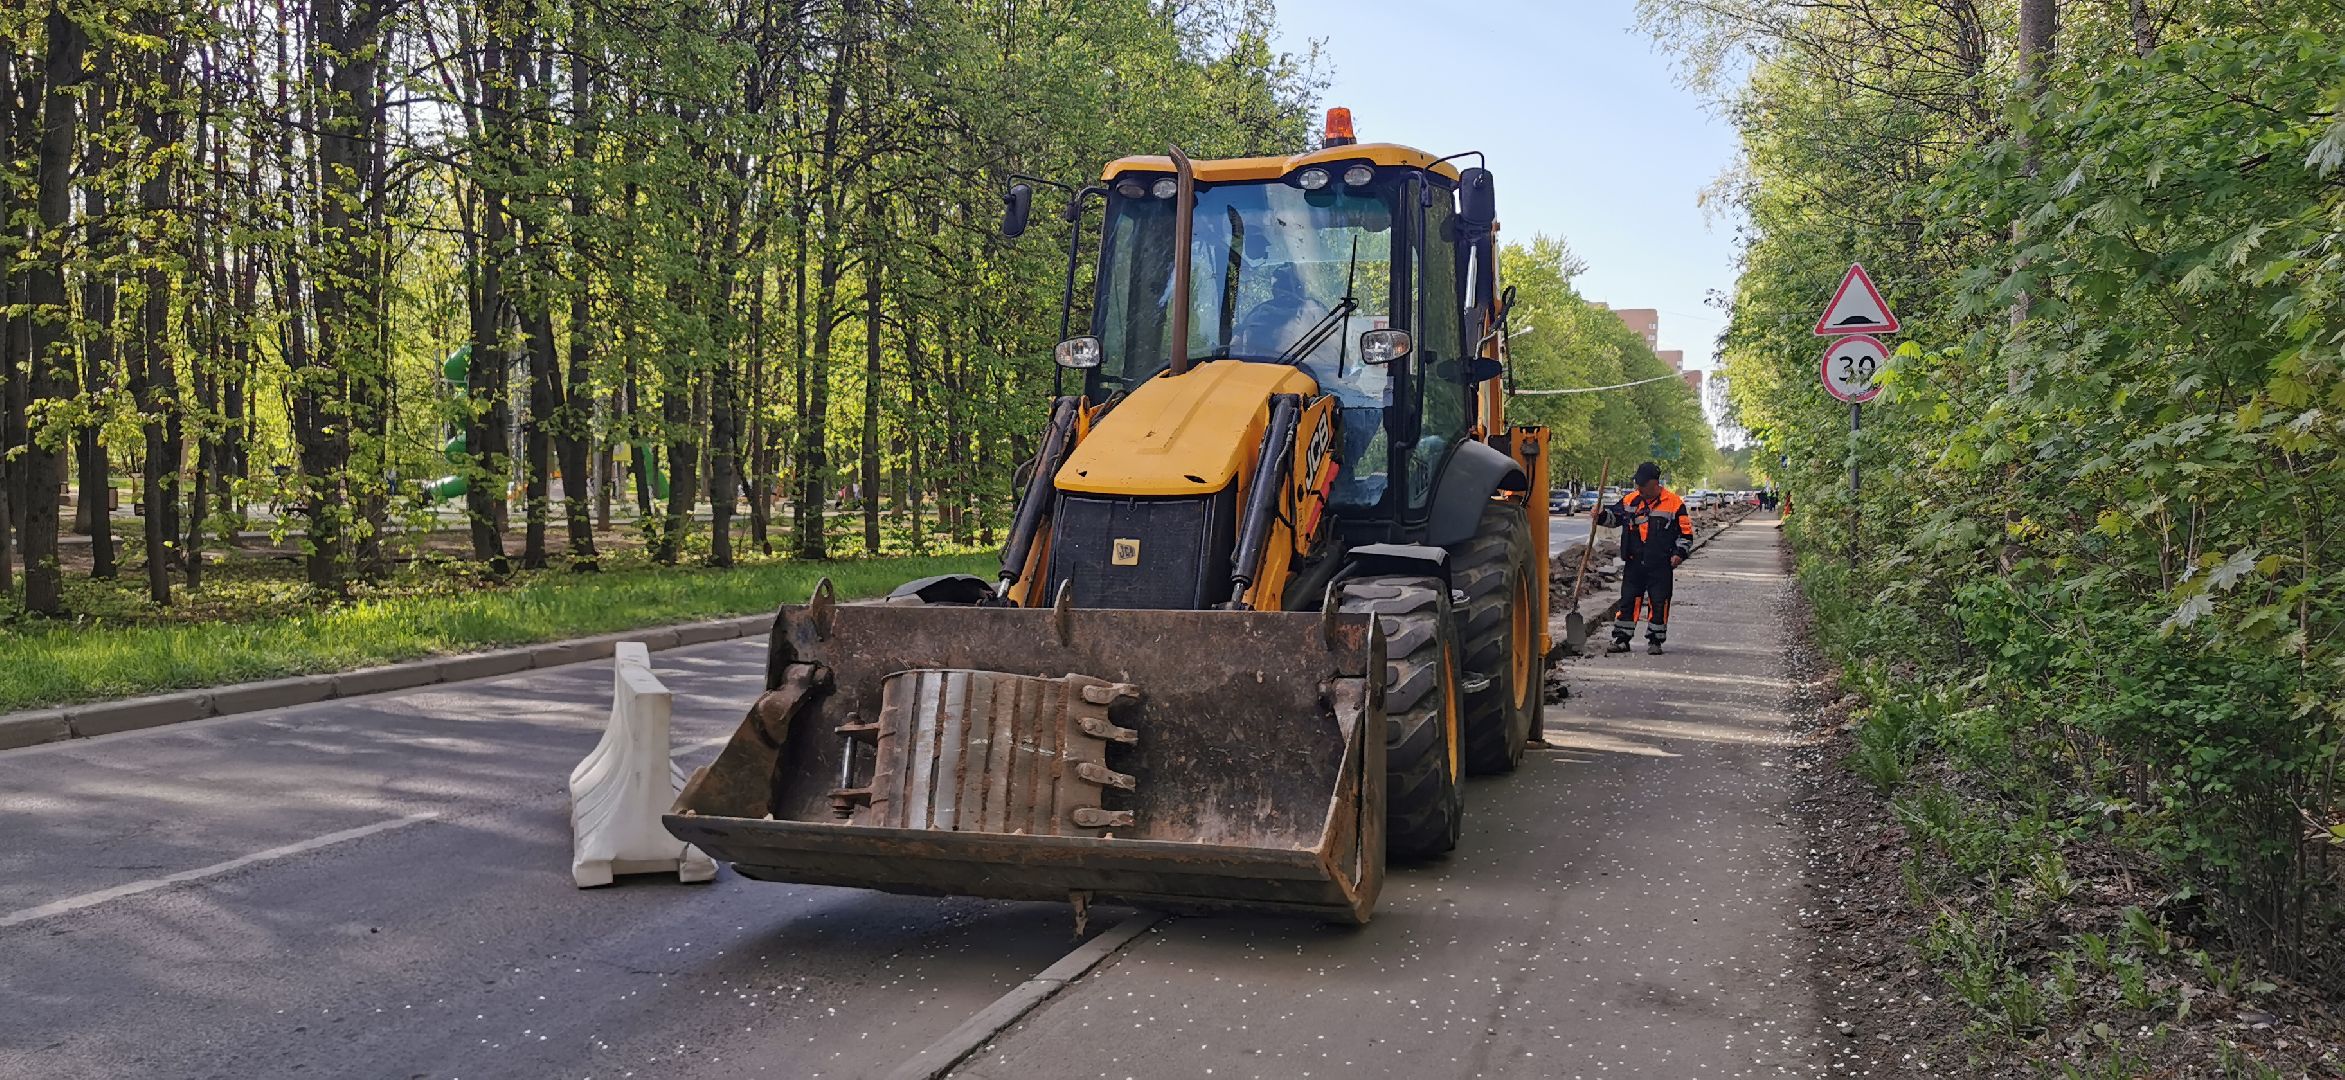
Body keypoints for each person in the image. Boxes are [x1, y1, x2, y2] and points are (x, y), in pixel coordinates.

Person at [1596, 461, 1694, 655]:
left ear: (1655, 484)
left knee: (1659, 601)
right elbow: (1614, 518)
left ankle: (1655, 640)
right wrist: (1600, 515)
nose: (1639, 489)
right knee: (1628, 600)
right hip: (1634, 561)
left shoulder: (1674, 503)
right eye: (1637, 485)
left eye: (1643, 485)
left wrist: (1679, 554)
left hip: (1661, 563)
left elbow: (1686, 534)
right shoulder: (1630, 500)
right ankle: (1622, 639)